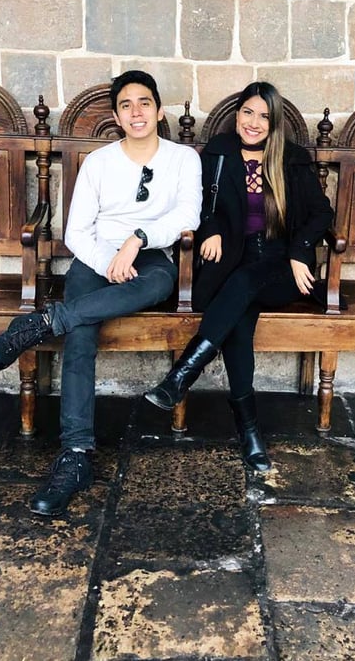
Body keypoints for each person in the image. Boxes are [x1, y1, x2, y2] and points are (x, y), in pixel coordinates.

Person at [0, 70, 202, 515]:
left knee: (159, 281)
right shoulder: (99, 163)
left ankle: (43, 323)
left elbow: (188, 216)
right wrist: (109, 263)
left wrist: (137, 239)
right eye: (126, 105)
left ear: (159, 111)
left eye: (144, 103)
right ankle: (76, 455)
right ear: (117, 117)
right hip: (96, 257)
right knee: (81, 334)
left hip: (150, 257)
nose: (136, 112)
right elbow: (76, 232)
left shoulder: (183, 159)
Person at [144, 81, 333, 471]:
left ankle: (182, 374)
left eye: (264, 116)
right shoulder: (218, 152)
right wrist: (210, 228)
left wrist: (300, 252)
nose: (254, 122)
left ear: (274, 122)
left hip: (281, 268)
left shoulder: (293, 159)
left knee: (243, 287)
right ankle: (249, 433)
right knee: (239, 320)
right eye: (248, 112)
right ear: (236, 114)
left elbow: (322, 213)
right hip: (231, 261)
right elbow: (195, 202)